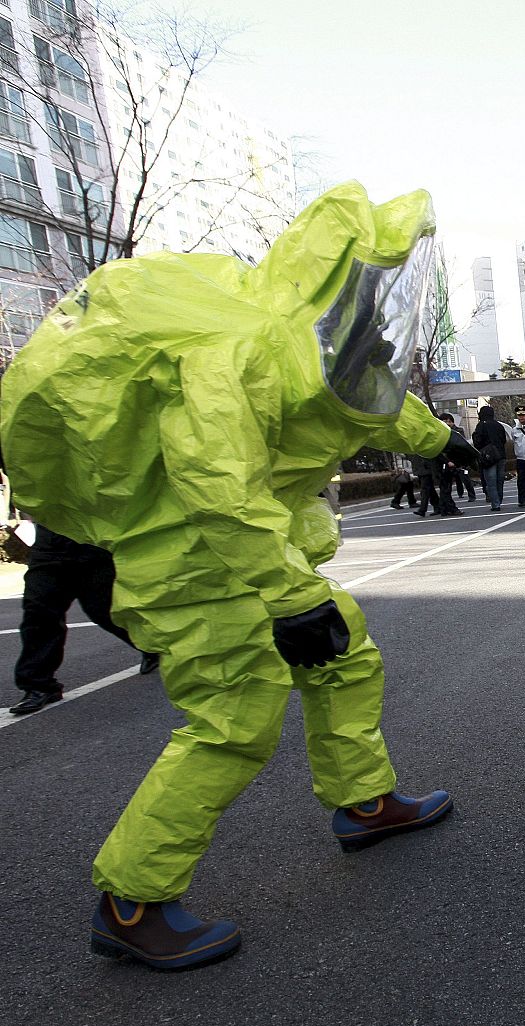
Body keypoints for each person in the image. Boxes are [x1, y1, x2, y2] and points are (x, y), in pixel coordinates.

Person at [0, 181, 480, 970]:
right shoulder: (232, 359)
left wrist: (436, 442)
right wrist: (291, 601)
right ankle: (132, 899)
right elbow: (217, 489)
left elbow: (366, 395)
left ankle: (364, 801)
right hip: (192, 562)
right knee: (233, 721)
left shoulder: (317, 347)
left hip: (252, 555)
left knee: (344, 661)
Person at [10, 524, 160, 716]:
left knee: (104, 609)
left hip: (92, 539)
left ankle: (147, 645)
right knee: (38, 611)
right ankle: (39, 686)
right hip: (50, 544)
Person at [473, 405, 509, 512]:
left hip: (488, 458)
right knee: (500, 480)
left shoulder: (481, 425)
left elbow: (477, 442)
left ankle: (495, 504)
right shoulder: (499, 425)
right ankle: (499, 499)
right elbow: (504, 440)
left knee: (491, 481)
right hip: (501, 456)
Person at [438, 413, 476, 501]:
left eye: (449, 421)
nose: (448, 423)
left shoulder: (458, 430)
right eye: (445, 421)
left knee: (464, 477)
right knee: (450, 478)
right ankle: (458, 493)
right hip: (448, 458)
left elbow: (462, 442)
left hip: (460, 458)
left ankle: (471, 495)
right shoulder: (441, 431)